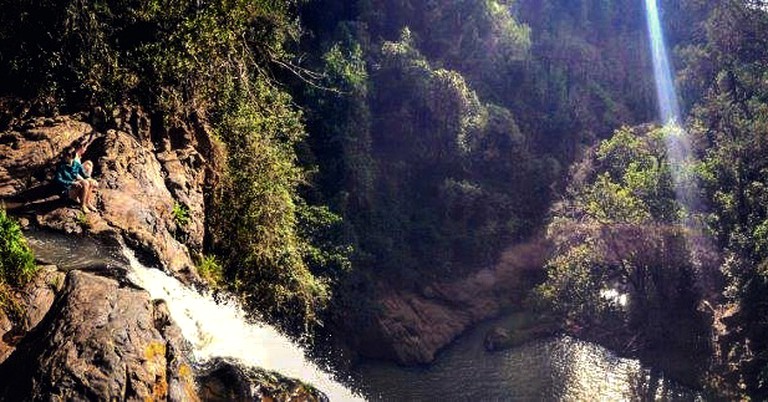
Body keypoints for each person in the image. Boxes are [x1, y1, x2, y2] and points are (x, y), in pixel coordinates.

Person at [53, 147, 96, 212]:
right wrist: (71, 183)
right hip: (66, 190)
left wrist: (91, 180)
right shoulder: (61, 166)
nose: (63, 156)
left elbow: (84, 175)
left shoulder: (76, 165)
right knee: (85, 183)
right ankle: (82, 205)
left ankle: (87, 202)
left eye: (66, 155)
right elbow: (58, 179)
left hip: (75, 186)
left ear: (71, 156)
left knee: (90, 181)